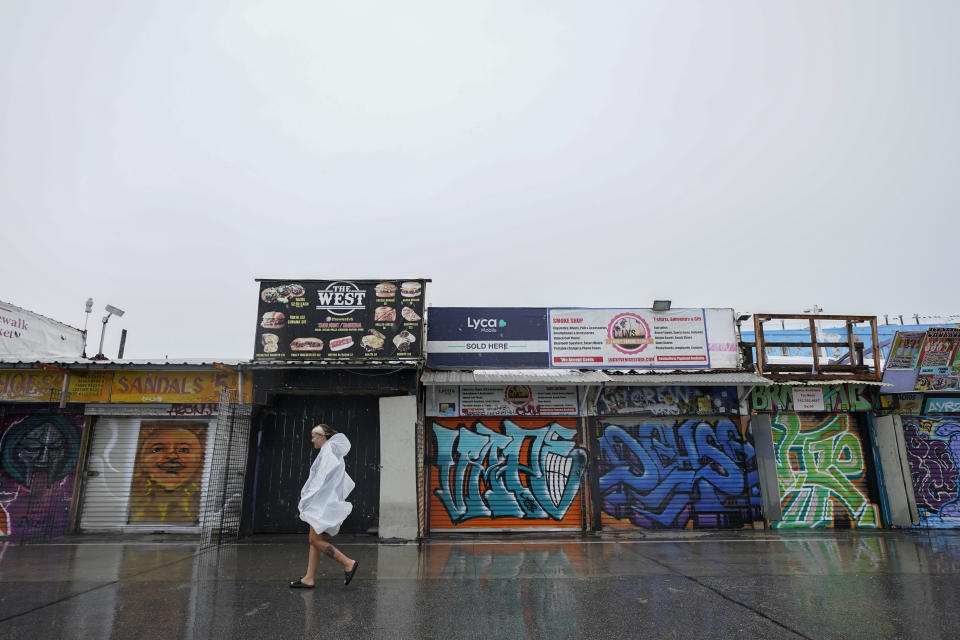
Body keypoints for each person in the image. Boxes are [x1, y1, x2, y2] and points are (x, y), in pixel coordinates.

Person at [289, 424, 360, 588]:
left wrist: (309, 497)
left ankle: (348, 563)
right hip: (323, 502)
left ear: (322, 437)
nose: (312, 440)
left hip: (321, 504)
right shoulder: (330, 450)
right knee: (315, 540)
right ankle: (309, 578)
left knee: (314, 540)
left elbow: (322, 479)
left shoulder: (328, 451)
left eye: (314, 436)